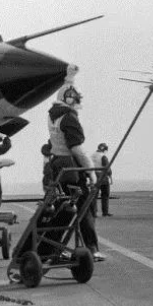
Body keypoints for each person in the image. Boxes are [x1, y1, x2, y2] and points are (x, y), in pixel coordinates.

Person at [47, 79, 105, 262]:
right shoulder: (68, 117)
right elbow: (77, 149)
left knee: (62, 210)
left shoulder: (53, 115)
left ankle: (52, 249)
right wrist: (91, 172)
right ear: (69, 98)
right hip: (72, 169)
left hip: (58, 166)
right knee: (85, 208)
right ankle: (92, 249)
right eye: (74, 97)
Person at [91, 143, 113, 217]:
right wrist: (110, 176)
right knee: (105, 195)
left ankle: (94, 213)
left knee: (94, 196)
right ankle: (105, 212)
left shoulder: (92, 155)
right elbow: (107, 167)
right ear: (104, 149)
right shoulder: (103, 156)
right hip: (103, 177)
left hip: (93, 176)